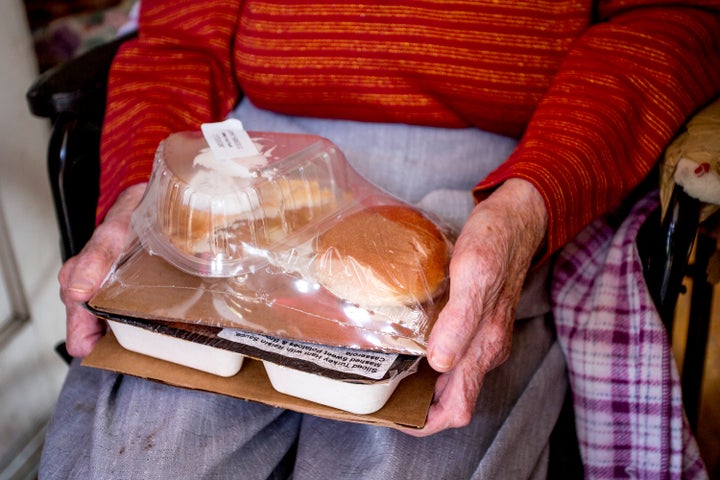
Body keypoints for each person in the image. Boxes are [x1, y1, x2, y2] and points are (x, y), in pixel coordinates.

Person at [40, 1, 720, 478]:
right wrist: (146, 192)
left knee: (404, 451)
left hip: (500, 170)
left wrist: (531, 199)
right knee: (135, 455)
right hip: (245, 166)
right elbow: (180, 40)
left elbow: (672, 19)